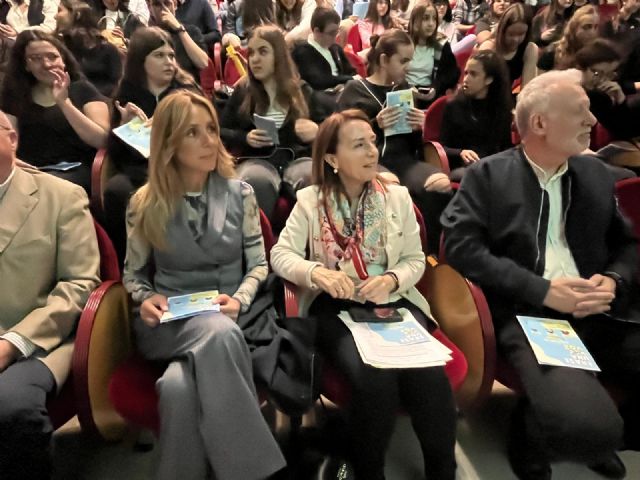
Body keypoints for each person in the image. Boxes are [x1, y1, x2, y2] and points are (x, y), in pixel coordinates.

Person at [441, 69, 640, 480]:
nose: (593, 121)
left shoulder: (596, 174)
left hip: (602, 309)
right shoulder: (489, 175)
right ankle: (534, 434)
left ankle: (601, 426)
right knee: (588, 430)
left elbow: (627, 245)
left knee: (608, 426)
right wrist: (542, 290)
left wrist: (614, 279)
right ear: (539, 123)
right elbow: (462, 249)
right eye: (581, 111)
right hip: (533, 314)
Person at [271, 108, 458, 480]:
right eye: (359, 145)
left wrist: (391, 279)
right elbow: (281, 255)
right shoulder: (310, 200)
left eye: (373, 142)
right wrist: (316, 272)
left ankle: (443, 472)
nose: (372, 151)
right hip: (335, 306)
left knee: (430, 377)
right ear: (332, 159)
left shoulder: (397, 197)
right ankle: (369, 470)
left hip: (392, 300)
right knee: (374, 379)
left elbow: (415, 260)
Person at [123, 90, 286, 480]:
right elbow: (132, 275)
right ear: (168, 143)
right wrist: (147, 298)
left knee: (177, 388)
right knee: (216, 331)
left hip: (232, 318)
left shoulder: (241, 194)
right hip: (169, 324)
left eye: (211, 129)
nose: (209, 140)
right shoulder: (143, 203)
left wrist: (240, 300)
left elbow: (258, 265)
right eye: (192, 133)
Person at [0, 109, 100, 480]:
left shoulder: (61, 196)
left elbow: (78, 283)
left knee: (11, 408)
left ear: (12, 139)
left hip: (38, 339)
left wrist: (11, 344)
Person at [338, 28, 451, 253]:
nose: (409, 66)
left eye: (410, 60)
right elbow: (341, 136)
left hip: (404, 160)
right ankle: (388, 254)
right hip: (368, 161)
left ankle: (428, 253)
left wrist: (418, 127)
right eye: (403, 61)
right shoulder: (355, 90)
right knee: (390, 186)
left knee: (441, 184)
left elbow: (414, 145)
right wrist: (375, 125)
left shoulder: (404, 88)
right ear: (383, 60)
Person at [104, 26, 201, 263]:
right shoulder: (126, 95)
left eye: (171, 55)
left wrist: (171, 126)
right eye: (159, 56)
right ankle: (128, 264)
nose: (169, 62)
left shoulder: (187, 93)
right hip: (140, 171)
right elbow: (115, 156)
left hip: (181, 168)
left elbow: (206, 138)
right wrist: (123, 128)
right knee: (116, 190)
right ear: (141, 61)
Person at [220, 25, 327, 218]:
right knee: (256, 181)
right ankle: (258, 236)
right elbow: (221, 130)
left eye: (263, 52)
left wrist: (317, 131)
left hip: (296, 159)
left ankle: (314, 236)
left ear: (279, 56)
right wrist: (245, 138)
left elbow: (329, 130)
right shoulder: (243, 91)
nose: (254, 59)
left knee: (311, 177)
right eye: (251, 53)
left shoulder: (302, 91)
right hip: (257, 160)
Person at [0, 29, 109, 194]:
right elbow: (8, 141)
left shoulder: (82, 89)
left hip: (76, 169)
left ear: (63, 60)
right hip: (29, 171)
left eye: (52, 57)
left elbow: (101, 140)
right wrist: (13, 161)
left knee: (46, 189)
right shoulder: (15, 96)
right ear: (26, 65)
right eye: (36, 59)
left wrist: (64, 103)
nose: (46, 64)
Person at [439, 50, 513, 179]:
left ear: (489, 79)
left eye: (473, 74)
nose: (465, 79)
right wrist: (460, 152)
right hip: (461, 167)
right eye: (466, 73)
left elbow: (505, 148)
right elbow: (441, 148)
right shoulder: (454, 106)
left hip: (491, 166)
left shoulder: (502, 109)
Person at [55, 0, 123, 96]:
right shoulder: (58, 47)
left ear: (77, 15)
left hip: (102, 100)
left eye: (59, 10)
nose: (55, 16)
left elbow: (116, 84)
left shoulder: (107, 49)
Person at [406, 2, 459, 109]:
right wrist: (407, 90)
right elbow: (391, 74)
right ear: (414, 21)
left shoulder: (442, 44)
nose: (431, 24)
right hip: (403, 94)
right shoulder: (402, 42)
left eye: (434, 19)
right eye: (425, 18)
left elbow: (451, 73)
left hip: (430, 97)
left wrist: (435, 88)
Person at [291, 7, 356, 91]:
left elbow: (351, 71)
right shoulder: (303, 52)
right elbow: (319, 80)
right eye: (331, 33)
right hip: (321, 95)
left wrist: (348, 82)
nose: (335, 36)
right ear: (317, 31)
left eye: (337, 32)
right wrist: (350, 79)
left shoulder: (336, 48)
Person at [478, 2, 538, 89]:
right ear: (502, 31)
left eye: (521, 34)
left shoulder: (530, 49)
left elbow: (527, 88)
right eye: (511, 34)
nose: (516, 39)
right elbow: (477, 86)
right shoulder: (489, 47)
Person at [148, 0, 209, 81]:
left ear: (175, 5)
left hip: (187, 86)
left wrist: (179, 30)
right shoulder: (146, 37)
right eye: (157, 4)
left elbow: (203, 63)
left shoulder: (192, 31)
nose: (163, 9)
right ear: (150, 9)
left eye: (167, 3)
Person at [537, 4, 599, 72]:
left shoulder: (599, 55)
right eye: (587, 27)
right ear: (574, 28)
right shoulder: (552, 51)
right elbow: (539, 78)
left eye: (596, 27)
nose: (593, 32)